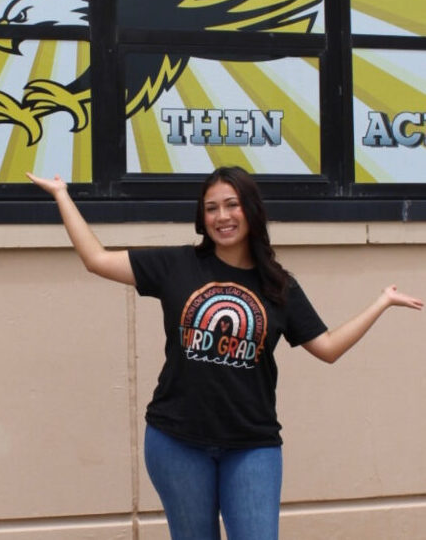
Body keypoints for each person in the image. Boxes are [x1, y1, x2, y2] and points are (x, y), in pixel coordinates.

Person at [27, 167, 423, 540]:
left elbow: (328, 347)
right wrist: (63, 196)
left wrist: (381, 303)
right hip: (176, 440)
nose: (222, 216)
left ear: (250, 210)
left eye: (232, 204)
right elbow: (96, 260)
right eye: (212, 207)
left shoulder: (278, 285)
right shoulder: (177, 264)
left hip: (251, 444)